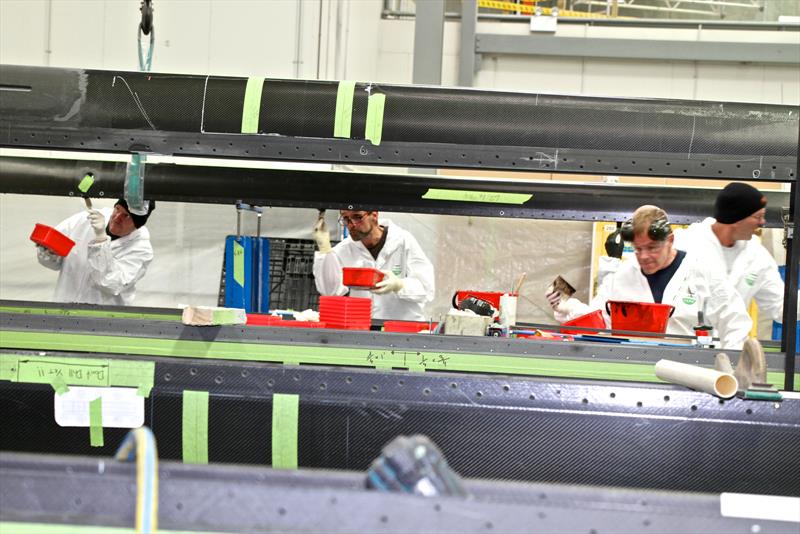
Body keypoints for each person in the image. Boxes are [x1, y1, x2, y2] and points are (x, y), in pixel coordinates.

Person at [545, 205, 751, 349]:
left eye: (652, 248)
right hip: (633, 369)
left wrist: (727, 369)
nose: (644, 256)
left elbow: (735, 322)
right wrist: (569, 307)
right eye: (638, 249)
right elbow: (600, 323)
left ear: (670, 240)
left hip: (688, 372)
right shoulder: (622, 276)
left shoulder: (703, 272)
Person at [673, 182, 785, 324]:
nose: (762, 222)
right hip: (681, 342)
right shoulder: (684, 243)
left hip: (729, 343)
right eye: (758, 217)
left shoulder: (757, 256)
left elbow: (780, 307)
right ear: (736, 218)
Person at [312, 210, 434, 321]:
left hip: (403, 327)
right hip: (364, 329)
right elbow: (330, 292)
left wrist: (399, 285)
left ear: (374, 216)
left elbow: (427, 288)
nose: (351, 224)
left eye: (357, 217)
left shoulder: (403, 241)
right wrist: (324, 249)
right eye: (346, 219)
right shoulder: (344, 250)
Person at [36, 199, 155, 306]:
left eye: (126, 216)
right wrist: (49, 252)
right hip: (64, 306)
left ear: (137, 225)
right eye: (117, 209)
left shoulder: (141, 250)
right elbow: (54, 262)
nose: (117, 217)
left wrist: (101, 238)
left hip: (102, 318)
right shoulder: (86, 219)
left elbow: (110, 283)